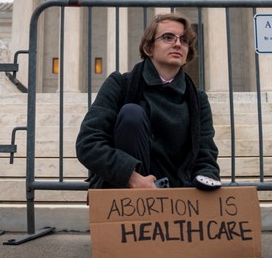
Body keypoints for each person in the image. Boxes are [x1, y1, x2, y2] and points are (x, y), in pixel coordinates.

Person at [76, 13, 220, 189]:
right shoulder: (121, 84)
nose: (177, 44)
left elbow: (206, 153)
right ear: (148, 48)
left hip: (177, 194)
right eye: (168, 37)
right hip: (128, 192)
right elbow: (88, 143)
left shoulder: (197, 99)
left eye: (183, 40)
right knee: (132, 114)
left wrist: (205, 177)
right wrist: (131, 177)